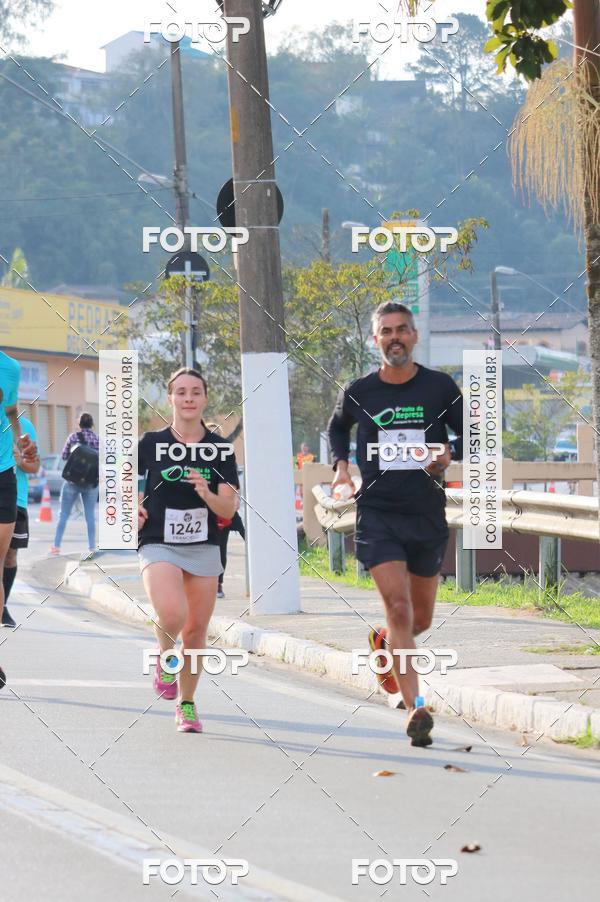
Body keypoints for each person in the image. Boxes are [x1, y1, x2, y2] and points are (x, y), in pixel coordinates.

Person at [327, 301, 463, 747]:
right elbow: (337, 429)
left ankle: (384, 642)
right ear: (375, 340)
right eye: (386, 331)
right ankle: (416, 707)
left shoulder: (440, 388)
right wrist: (341, 465)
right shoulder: (360, 392)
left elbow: (472, 432)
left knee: (418, 618)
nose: (395, 337)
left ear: (415, 336)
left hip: (425, 513)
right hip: (378, 514)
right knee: (400, 609)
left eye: (402, 329)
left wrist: (449, 454)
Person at [137, 368, 238, 733]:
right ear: (171, 399)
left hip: (203, 545)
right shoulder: (150, 443)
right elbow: (122, 483)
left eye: (196, 392)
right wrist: (134, 506)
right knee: (172, 612)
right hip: (159, 540)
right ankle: (166, 657)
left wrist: (206, 493)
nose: (189, 398)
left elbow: (228, 508)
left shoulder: (219, 448)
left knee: (195, 633)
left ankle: (187, 704)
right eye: (181, 392)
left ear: (205, 398)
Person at [0, 350, 37, 688]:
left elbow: (10, 409)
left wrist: (20, 446)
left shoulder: (9, 368)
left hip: (6, 483)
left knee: (3, 561)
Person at [2, 414, 40, 627]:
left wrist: (18, 460)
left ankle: (3, 606)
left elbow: (34, 466)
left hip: (16, 499)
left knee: (9, 556)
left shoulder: (24, 427)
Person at [50, 412, 99, 556]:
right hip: (90, 483)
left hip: (72, 481)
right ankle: (91, 547)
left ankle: (56, 546)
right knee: (90, 516)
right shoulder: (97, 439)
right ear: (92, 424)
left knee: (63, 514)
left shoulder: (73, 437)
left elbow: (64, 456)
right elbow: (103, 460)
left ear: (79, 424)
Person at [216, 510, 245, 598]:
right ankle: (215, 584)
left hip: (226, 510)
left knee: (221, 551)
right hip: (209, 511)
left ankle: (218, 584)